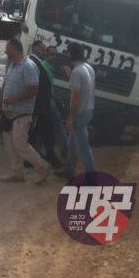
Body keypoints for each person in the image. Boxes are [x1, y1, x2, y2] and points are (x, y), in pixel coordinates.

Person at [0, 38, 51, 184]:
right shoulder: (13, 65)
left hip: (22, 112)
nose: (5, 51)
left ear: (15, 49)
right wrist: (0, 106)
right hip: (8, 112)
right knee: (9, 143)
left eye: (7, 49)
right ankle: (17, 173)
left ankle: (42, 167)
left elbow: (33, 89)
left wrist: (15, 100)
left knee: (20, 143)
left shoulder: (28, 66)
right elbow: (6, 85)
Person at [57, 43, 97, 180]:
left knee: (83, 148)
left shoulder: (77, 72)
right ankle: (68, 171)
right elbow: (84, 89)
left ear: (71, 54)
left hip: (79, 113)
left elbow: (76, 96)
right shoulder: (88, 68)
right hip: (88, 110)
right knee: (73, 144)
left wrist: (70, 117)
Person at [28, 41, 62, 167]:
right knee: (45, 133)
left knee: (41, 133)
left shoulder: (35, 62)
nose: (45, 52)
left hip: (42, 105)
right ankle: (48, 159)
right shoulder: (35, 63)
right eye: (43, 50)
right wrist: (40, 106)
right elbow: (37, 87)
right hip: (41, 105)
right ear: (36, 49)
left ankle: (47, 158)